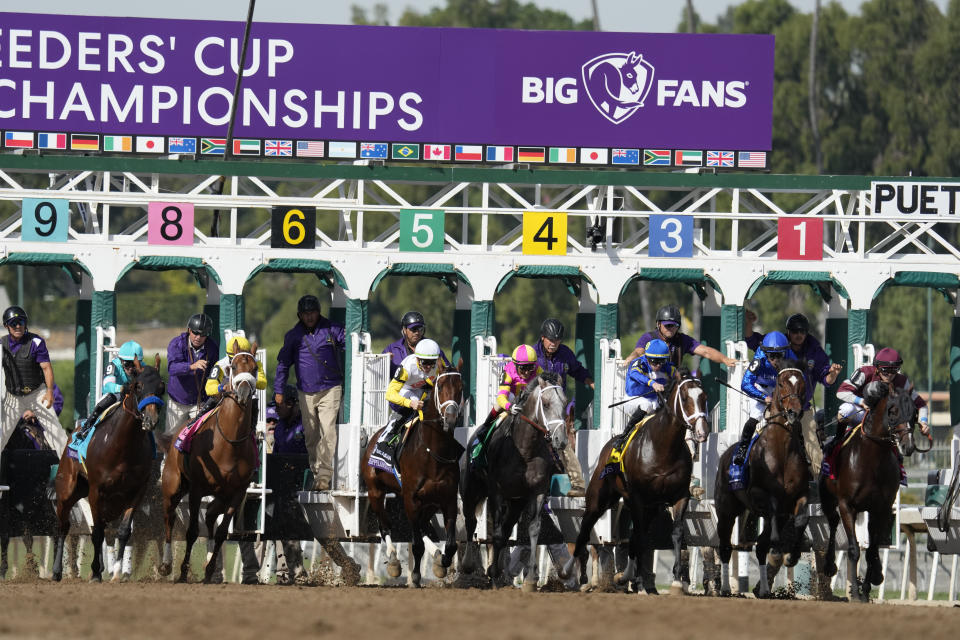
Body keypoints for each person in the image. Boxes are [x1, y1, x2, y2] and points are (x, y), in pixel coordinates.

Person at [745, 312, 843, 472]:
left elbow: (827, 380)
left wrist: (833, 374)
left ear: (807, 332)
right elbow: (751, 340)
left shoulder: (815, 351)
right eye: (795, 331)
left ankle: (820, 487)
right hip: (776, 408)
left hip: (802, 409)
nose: (799, 335)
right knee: (761, 440)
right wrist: (749, 321)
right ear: (788, 332)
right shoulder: (778, 343)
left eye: (802, 331)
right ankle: (748, 471)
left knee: (816, 452)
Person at [824, 347, 929, 485]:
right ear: (877, 367)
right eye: (886, 370)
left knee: (899, 427)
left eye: (894, 370)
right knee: (846, 409)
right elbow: (841, 392)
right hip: (862, 413)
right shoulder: (864, 372)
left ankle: (899, 467)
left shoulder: (902, 380)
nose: (890, 374)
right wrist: (861, 402)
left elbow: (921, 404)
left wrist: (923, 421)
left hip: (884, 422)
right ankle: (836, 442)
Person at [275, 294, 345, 492]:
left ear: (318, 312)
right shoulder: (293, 336)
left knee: (328, 430)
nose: (309, 317)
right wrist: (278, 391)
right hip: (305, 392)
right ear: (299, 315)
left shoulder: (332, 328)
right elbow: (282, 365)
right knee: (311, 435)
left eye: (312, 312)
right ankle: (316, 473)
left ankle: (324, 476)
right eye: (305, 314)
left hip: (331, 388)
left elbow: (350, 343)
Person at [534, 318, 592, 496]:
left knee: (563, 442)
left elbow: (577, 370)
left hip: (556, 409)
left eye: (558, 340)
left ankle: (578, 484)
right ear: (543, 338)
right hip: (536, 407)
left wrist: (591, 382)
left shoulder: (565, 353)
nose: (554, 344)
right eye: (551, 339)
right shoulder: (532, 353)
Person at [1, 306, 67, 453]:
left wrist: (50, 392)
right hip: (12, 396)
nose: (18, 326)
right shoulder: (1, 344)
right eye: (13, 323)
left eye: (21, 322)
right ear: (6, 326)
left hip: (37, 393)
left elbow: (46, 368)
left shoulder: (36, 342)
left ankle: (72, 472)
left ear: (26, 324)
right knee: (1, 435)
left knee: (56, 433)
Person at [468, 344, 542, 467]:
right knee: (498, 406)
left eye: (530, 367)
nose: (528, 372)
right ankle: (483, 434)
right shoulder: (508, 370)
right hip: (512, 398)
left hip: (529, 401)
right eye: (523, 368)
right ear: (515, 365)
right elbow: (501, 396)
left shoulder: (538, 370)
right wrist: (509, 407)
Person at [377, 338, 441, 467]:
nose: (429, 367)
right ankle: (387, 436)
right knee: (416, 402)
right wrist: (409, 403)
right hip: (405, 390)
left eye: (432, 363)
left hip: (424, 389)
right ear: (417, 359)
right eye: (425, 363)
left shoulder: (439, 364)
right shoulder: (407, 367)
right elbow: (390, 394)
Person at [731, 331, 790, 467]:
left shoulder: (789, 355)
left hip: (780, 388)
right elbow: (745, 384)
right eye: (772, 356)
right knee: (756, 416)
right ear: (765, 353)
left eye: (779, 355)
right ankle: (742, 449)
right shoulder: (759, 359)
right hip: (762, 389)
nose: (776, 360)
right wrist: (763, 397)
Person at [623, 304, 737, 369]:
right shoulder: (648, 337)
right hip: (651, 381)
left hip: (672, 382)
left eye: (675, 325)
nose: (671, 328)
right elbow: (638, 352)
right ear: (658, 324)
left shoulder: (683, 339)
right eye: (667, 325)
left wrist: (724, 359)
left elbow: (706, 351)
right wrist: (629, 358)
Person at [73, 340, 144, 442]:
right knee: (113, 397)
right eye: (128, 364)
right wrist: (122, 388)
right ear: (120, 360)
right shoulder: (113, 365)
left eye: (135, 364)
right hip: (110, 395)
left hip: (130, 397)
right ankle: (87, 428)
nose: (131, 369)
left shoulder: (143, 367)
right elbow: (107, 386)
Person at [165, 313, 219, 439]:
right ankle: (166, 459)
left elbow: (215, 372)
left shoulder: (213, 347)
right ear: (189, 330)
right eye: (195, 332)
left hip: (199, 402)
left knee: (201, 437)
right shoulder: (176, 344)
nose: (198, 337)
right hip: (177, 401)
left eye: (203, 334)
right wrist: (191, 366)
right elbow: (172, 368)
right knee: (171, 438)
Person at [382, 310, 448, 377]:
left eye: (420, 329)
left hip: (428, 387)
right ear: (404, 330)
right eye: (413, 329)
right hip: (401, 386)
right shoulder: (392, 349)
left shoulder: (433, 347)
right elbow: (379, 371)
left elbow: (447, 372)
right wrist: (384, 361)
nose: (417, 332)